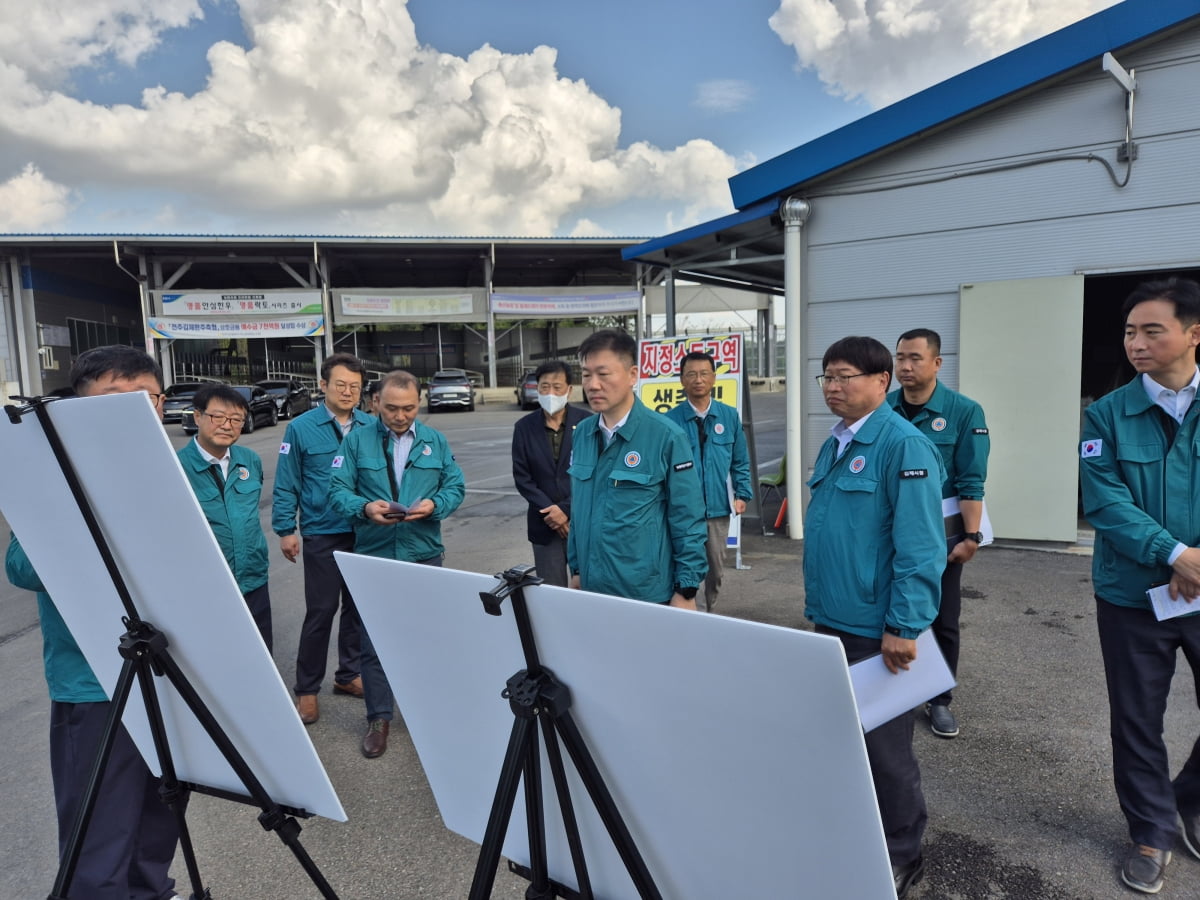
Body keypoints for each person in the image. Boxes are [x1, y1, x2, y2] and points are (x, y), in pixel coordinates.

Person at [5, 345, 181, 900]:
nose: (135, 413)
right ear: (74, 407)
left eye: (147, 399)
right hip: (95, 685)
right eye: (113, 400)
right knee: (98, 837)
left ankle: (152, 891)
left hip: (169, 680)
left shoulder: (168, 470)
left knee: (161, 818)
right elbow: (23, 566)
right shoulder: (52, 472)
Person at [803, 336, 945, 899]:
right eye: (827, 378)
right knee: (844, 740)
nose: (833, 388)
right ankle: (856, 835)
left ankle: (901, 854)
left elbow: (921, 547)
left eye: (845, 377)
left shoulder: (903, 446)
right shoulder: (837, 441)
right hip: (833, 621)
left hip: (877, 628)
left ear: (882, 380)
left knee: (887, 751)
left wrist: (904, 627)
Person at [1080, 276, 1200, 895]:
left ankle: (1188, 802)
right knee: (1137, 720)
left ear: (1192, 334)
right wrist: (1176, 555)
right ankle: (1152, 831)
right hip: (1132, 596)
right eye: (1130, 331)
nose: (1137, 342)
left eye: (1152, 329)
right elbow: (1104, 501)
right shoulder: (1105, 413)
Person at [329, 370, 465, 758]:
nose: (400, 416)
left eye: (408, 408)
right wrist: (364, 507)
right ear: (375, 403)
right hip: (374, 557)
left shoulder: (435, 441)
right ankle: (379, 717)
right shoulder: (356, 441)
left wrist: (435, 505)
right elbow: (337, 488)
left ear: (418, 403)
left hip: (423, 554)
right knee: (373, 643)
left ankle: (430, 715)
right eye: (391, 408)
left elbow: (455, 486)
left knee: (426, 639)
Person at [887, 328, 990, 739]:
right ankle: (895, 691)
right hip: (888, 533)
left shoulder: (964, 412)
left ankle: (940, 699)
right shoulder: (884, 408)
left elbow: (972, 479)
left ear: (936, 363)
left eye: (914, 358)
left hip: (940, 537)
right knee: (890, 612)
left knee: (943, 618)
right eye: (899, 358)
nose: (905, 367)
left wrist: (971, 536)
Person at [567, 329, 707, 608]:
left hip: (646, 596)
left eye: (603, 374)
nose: (593, 385)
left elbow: (688, 519)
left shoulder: (666, 436)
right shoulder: (582, 433)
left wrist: (687, 589)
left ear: (632, 375)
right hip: (591, 589)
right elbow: (579, 510)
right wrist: (577, 568)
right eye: (586, 375)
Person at [272, 353, 375, 725]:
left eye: (355, 386)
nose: (348, 392)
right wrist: (286, 529)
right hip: (322, 533)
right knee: (321, 611)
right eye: (340, 384)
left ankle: (348, 675)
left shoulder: (370, 425)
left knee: (357, 609)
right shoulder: (301, 428)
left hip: (364, 531)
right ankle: (307, 690)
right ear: (323, 385)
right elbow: (287, 481)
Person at [178, 383, 273, 650]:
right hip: (207, 588)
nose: (226, 425)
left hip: (253, 579)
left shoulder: (250, 460)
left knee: (260, 654)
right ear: (198, 417)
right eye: (218, 417)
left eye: (236, 419)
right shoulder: (176, 467)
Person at [665, 350, 753, 612]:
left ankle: (709, 609)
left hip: (716, 509)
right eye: (691, 374)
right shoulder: (670, 420)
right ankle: (686, 609)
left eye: (704, 373)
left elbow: (740, 460)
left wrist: (742, 494)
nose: (698, 379)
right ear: (682, 380)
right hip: (682, 509)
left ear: (714, 378)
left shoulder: (728, 417)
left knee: (715, 569)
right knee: (680, 564)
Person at [511, 360, 590, 587]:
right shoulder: (524, 427)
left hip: (581, 520)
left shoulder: (587, 423)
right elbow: (523, 478)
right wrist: (552, 513)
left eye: (557, 387)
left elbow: (595, 474)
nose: (551, 393)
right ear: (537, 389)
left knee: (588, 588)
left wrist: (565, 510)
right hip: (544, 523)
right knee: (553, 590)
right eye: (545, 387)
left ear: (570, 390)